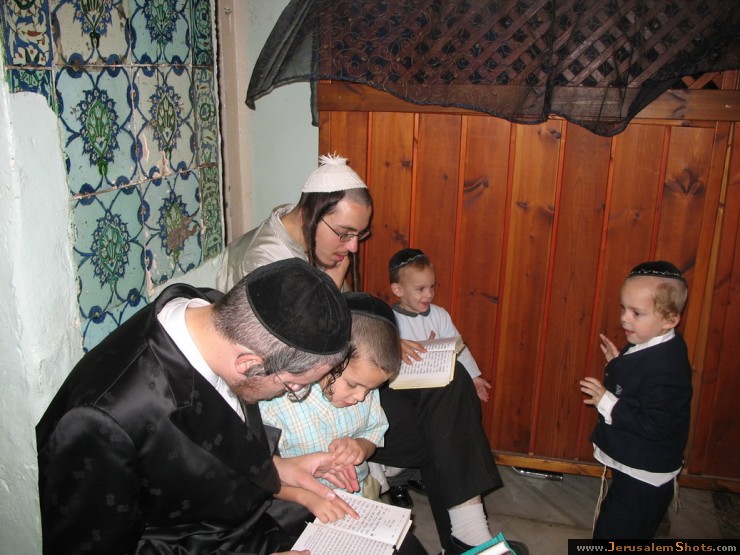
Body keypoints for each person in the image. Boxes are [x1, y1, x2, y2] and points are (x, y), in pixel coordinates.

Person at [220, 154, 526, 555]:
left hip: (342, 377)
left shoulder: (311, 235)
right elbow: (295, 364)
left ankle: (468, 532)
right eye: (346, 234)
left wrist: (383, 337)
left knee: (450, 382)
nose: (353, 246)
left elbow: (346, 324)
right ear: (313, 213)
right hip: (304, 399)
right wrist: (337, 289)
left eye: (358, 236)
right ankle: (454, 527)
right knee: (440, 426)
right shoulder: (265, 262)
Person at [37, 258, 377, 555]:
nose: (292, 393)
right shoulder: (101, 421)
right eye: (293, 386)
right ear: (249, 364)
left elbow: (214, 431)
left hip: (248, 515)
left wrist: (276, 467)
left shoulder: (214, 317)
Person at [259, 292, 401, 529]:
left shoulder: (365, 391)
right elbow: (261, 474)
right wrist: (310, 497)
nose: (361, 397)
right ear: (326, 360)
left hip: (358, 493)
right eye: (353, 385)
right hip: (297, 505)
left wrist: (360, 447)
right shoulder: (277, 403)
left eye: (370, 389)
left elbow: (374, 432)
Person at [580, 260, 693, 539]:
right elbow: (641, 384)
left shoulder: (668, 367)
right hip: (634, 464)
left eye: (636, 313)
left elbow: (654, 423)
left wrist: (606, 401)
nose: (624, 318)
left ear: (670, 320)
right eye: (623, 308)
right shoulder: (654, 341)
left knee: (615, 532)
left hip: (645, 473)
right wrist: (619, 364)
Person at [388, 248, 491, 402]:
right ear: (398, 290)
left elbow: (458, 348)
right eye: (420, 289)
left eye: (432, 286)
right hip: (404, 391)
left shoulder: (439, 315)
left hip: (436, 388)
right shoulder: (389, 319)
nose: (429, 294)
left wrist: (473, 377)